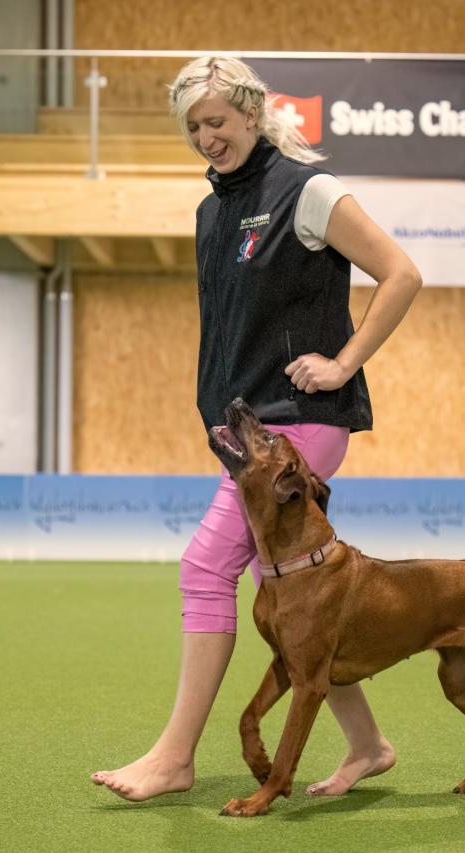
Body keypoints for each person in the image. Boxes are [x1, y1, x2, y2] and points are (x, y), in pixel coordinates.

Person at [91, 56, 422, 802]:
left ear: (252, 113)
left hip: (300, 424)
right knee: (289, 598)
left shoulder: (308, 191)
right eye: (194, 127)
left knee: (203, 569)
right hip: (244, 433)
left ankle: (175, 756)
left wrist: (343, 362)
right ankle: (367, 745)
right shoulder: (212, 210)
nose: (208, 136)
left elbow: (401, 273)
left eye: (219, 120)